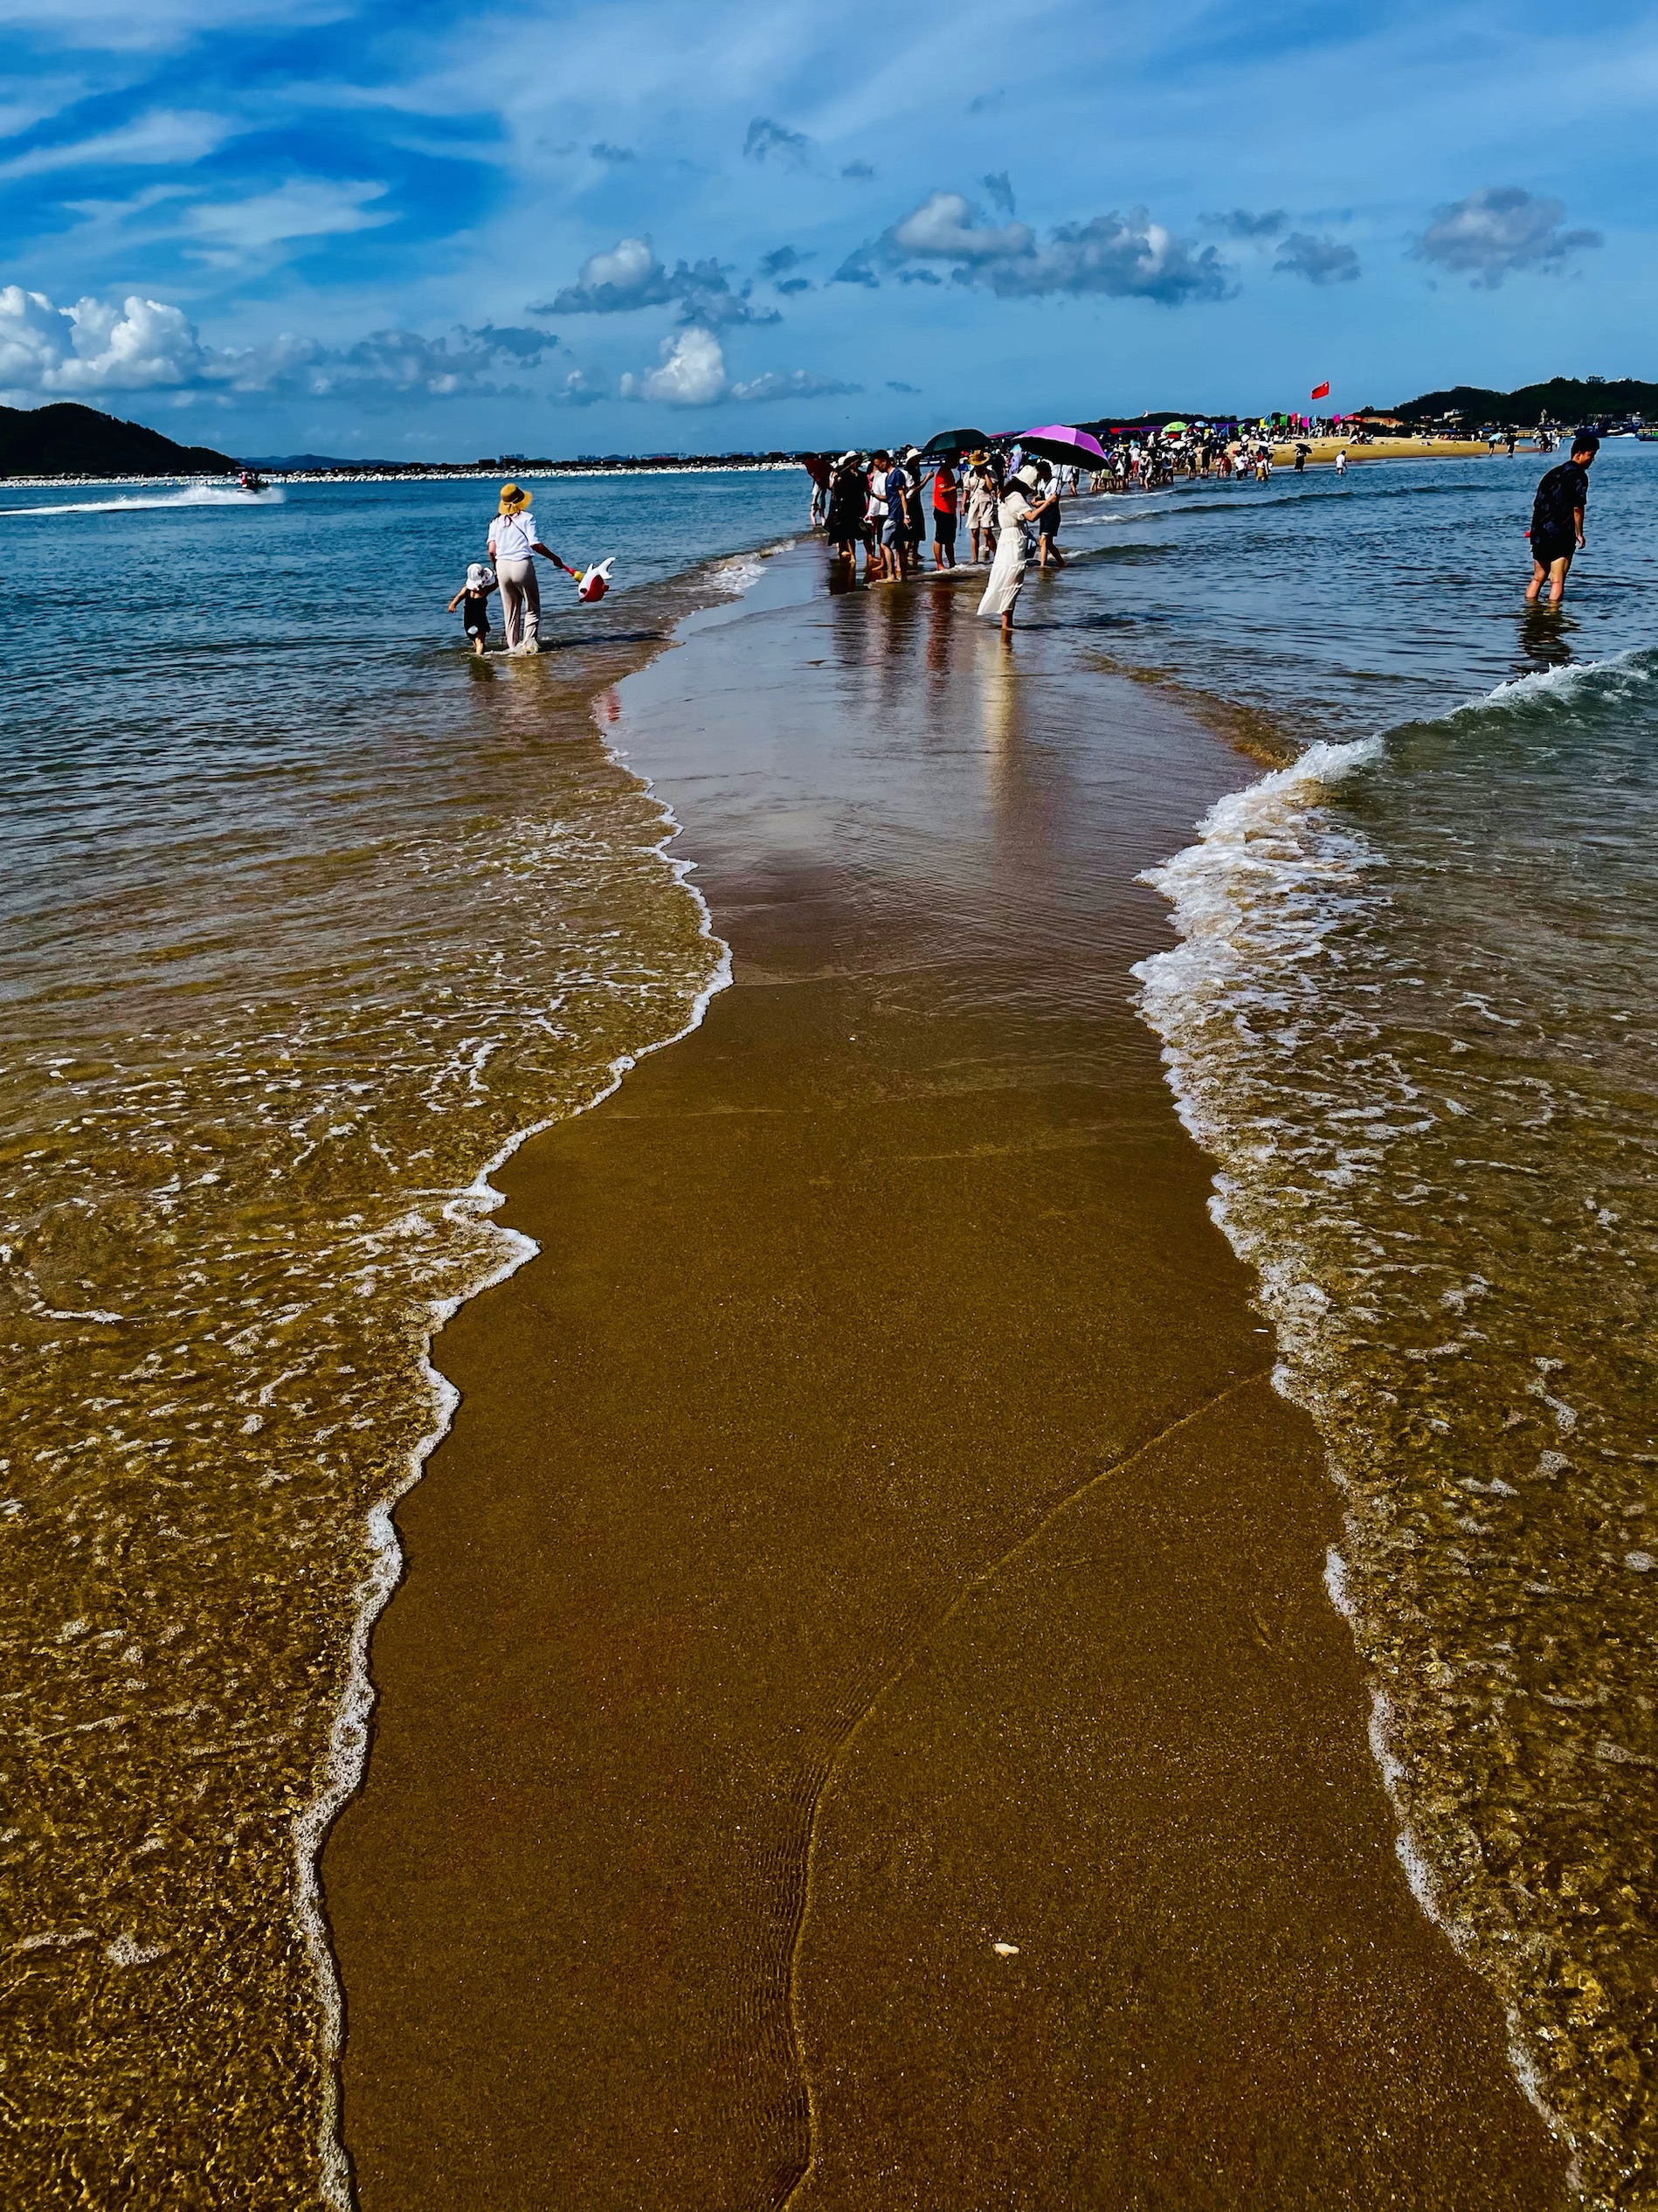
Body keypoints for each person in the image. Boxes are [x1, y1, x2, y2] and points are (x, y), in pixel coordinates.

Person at [487, 483, 570, 654]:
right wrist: (555, 558)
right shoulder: (526, 518)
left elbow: (492, 550)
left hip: (502, 565)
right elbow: (534, 544)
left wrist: (495, 569)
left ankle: (512, 648)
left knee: (510, 611)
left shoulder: (495, 522)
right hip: (521, 564)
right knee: (532, 607)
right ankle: (528, 646)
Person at [976, 462, 1054, 634]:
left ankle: (1007, 622)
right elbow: (1031, 517)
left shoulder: (1005, 495)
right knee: (1013, 582)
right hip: (1014, 541)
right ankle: (1006, 624)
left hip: (1006, 539)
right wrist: (1048, 502)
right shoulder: (1016, 497)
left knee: (1007, 580)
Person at [1525, 432, 1598, 605]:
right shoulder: (1579, 476)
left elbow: (1538, 502)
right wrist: (1579, 533)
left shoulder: (1552, 473)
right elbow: (1577, 507)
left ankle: (1529, 611)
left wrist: (1535, 528)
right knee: (1557, 580)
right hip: (1560, 532)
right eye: (1591, 455)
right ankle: (1553, 618)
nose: (1592, 459)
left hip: (1540, 530)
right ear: (1578, 454)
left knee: (1538, 577)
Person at [825, 453, 866, 572]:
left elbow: (864, 489)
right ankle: (853, 555)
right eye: (854, 461)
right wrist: (837, 480)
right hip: (846, 506)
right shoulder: (843, 475)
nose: (856, 463)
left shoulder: (861, 475)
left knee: (863, 532)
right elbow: (836, 492)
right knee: (849, 533)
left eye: (857, 461)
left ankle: (866, 554)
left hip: (859, 505)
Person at [446, 561, 497, 654]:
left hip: (468, 619)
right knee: (480, 640)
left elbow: (459, 597)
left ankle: (478, 651)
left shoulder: (466, 589)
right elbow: (496, 584)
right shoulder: (485, 589)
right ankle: (480, 656)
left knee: (474, 638)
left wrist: (452, 605)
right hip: (480, 618)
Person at [929, 453, 959, 568]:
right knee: (940, 538)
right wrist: (955, 487)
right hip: (942, 509)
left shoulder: (948, 471)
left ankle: (952, 562)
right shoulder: (942, 472)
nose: (957, 463)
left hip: (950, 510)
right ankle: (939, 563)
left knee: (950, 539)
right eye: (955, 460)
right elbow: (942, 491)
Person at [1034, 460, 1064, 568]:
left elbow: (1054, 499)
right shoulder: (1041, 482)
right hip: (1043, 513)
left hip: (1052, 514)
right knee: (1048, 543)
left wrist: (1040, 502)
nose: (1041, 475)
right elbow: (1041, 494)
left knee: (1043, 539)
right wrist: (1036, 499)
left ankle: (1042, 565)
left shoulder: (1055, 482)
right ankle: (1061, 562)